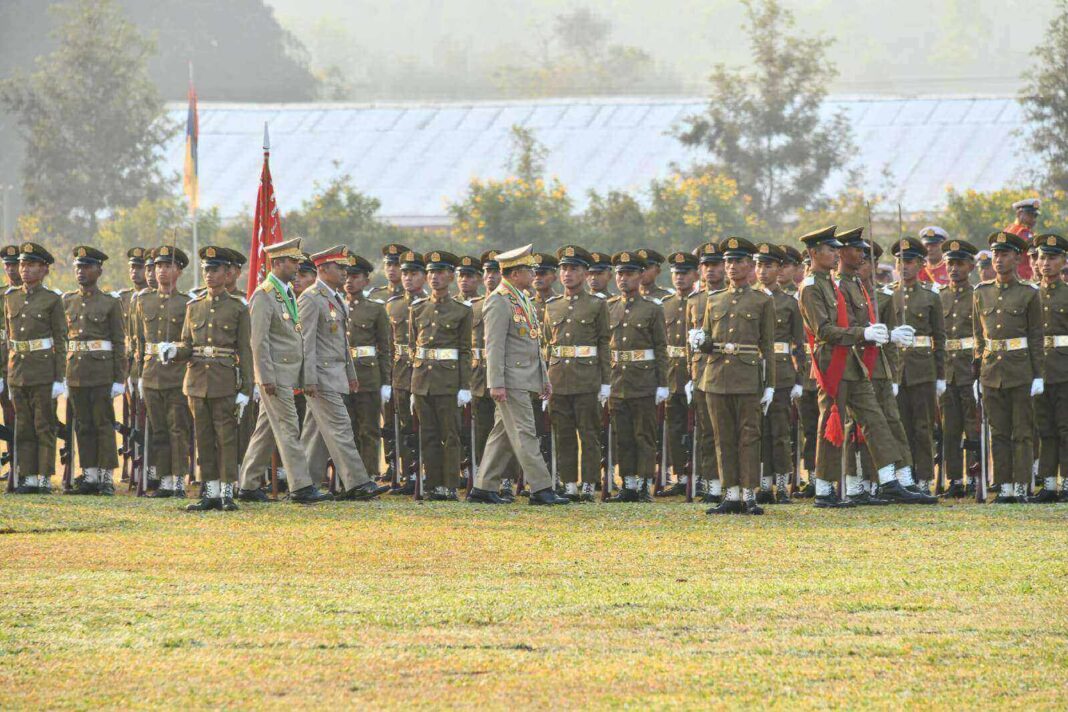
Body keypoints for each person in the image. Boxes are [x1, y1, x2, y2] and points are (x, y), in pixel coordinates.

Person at [797, 226, 930, 507]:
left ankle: (888, 481)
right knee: (831, 425)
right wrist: (864, 334)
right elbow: (823, 330)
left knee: (875, 420)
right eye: (830, 249)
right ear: (813, 253)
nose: (835, 254)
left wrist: (877, 333)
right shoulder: (811, 287)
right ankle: (823, 490)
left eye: (836, 249)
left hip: (850, 361)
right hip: (831, 361)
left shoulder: (832, 284)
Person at [467, 244, 568, 506]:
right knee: (525, 432)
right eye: (527, 270)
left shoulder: (521, 299)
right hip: (510, 381)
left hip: (524, 378)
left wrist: (543, 378)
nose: (533, 274)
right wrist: (496, 383)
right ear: (513, 274)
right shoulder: (499, 301)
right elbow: (494, 347)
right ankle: (541, 488)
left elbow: (534, 344)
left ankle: (483, 486)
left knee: (502, 434)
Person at [236, 237, 333, 505]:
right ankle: (301, 486)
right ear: (278, 263)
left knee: (266, 430)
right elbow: (258, 341)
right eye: (293, 261)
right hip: (275, 376)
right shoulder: (264, 295)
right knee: (289, 428)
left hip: (287, 374)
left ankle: (247, 484)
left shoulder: (285, 292)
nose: (297, 266)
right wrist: (265, 376)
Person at [159, 246, 252, 512]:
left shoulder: (238, 308)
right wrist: (175, 351)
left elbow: (245, 351)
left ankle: (227, 491)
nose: (209, 275)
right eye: (206, 270)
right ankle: (209, 491)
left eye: (215, 270)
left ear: (227, 273)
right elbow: (188, 344)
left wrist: (246, 387)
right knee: (203, 437)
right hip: (197, 380)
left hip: (224, 380)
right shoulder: (194, 306)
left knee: (226, 437)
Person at [688, 237, 775, 514]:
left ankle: (749, 494)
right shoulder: (713, 300)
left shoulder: (762, 300)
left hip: (747, 375)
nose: (732, 266)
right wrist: (699, 342)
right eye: (728, 262)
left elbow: (768, 347)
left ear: (750, 265)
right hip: (715, 375)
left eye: (738, 261)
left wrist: (770, 384)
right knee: (721, 436)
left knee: (749, 435)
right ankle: (732, 494)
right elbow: (707, 338)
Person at [299, 246, 389, 501]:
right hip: (320, 376)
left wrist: (350, 373)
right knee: (341, 427)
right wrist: (308, 379)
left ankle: (304, 484)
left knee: (315, 433)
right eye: (339, 268)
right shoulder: (311, 297)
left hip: (335, 374)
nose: (345, 273)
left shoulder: (334, 297)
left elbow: (341, 343)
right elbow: (306, 343)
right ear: (323, 269)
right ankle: (358, 482)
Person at [972, 230, 1044, 503]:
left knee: (1023, 432)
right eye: (995, 254)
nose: (998, 259)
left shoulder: (1028, 293)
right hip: (991, 373)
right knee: (998, 432)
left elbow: (1036, 337)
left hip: (1021, 370)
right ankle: (1004, 487)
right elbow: (979, 338)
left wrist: (1039, 375)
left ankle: (1022, 485)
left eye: (1004, 254)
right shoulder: (981, 292)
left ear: (1017, 257)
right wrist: (976, 374)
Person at [544, 245, 610, 502]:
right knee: (563, 433)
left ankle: (588, 484)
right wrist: (544, 380)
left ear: (584, 273)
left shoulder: (596, 304)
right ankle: (569, 482)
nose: (567, 274)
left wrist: (605, 382)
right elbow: (548, 346)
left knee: (589, 433)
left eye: (573, 269)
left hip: (586, 379)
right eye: (564, 269)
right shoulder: (552, 306)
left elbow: (604, 343)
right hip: (558, 378)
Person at [605, 250, 668, 503]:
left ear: (640, 276)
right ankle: (628, 484)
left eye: (629, 274)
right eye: (619, 274)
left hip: (643, 382)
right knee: (623, 435)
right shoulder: (609, 307)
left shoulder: (652, 308)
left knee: (644, 435)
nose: (623, 279)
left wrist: (663, 383)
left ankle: (644, 484)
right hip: (617, 381)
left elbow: (661, 348)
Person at [62, 246, 126, 496]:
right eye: (78, 266)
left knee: (103, 423)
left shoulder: (110, 303)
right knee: (83, 425)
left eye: (87, 266)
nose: (81, 272)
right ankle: (88, 475)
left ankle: (106, 477)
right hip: (76, 370)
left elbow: (119, 342)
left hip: (101, 373)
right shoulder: (67, 301)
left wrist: (119, 378)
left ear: (99, 270)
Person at [409, 251, 472, 500]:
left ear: (450, 276)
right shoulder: (418, 308)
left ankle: (450, 485)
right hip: (422, 381)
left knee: (450, 435)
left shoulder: (462, 311)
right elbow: (415, 347)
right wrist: (414, 384)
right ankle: (433, 483)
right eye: (431, 273)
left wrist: (464, 386)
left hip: (448, 383)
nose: (434, 277)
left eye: (440, 272)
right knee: (428, 435)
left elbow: (465, 351)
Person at [4, 243, 67, 494]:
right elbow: (9, 340)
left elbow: (61, 341)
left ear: (44, 269)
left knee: (44, 425)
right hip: (17, 370)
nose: (25, 270)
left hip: (43, 371)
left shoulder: (52, 300)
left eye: (31, 265)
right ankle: (27, 476)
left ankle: (43, 477)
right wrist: (7, 375)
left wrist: (59, 377)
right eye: (22, 264)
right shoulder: (11, 297)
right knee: (23, 426)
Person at [131, 245, 192, 498]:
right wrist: (136, 376)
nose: (162, 271)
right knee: (158, 430)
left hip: (176, 373)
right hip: (151, 372)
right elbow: (138, 343)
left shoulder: (186, 302)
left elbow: (190, 343)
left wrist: (175, 349)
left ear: (178, 271)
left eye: (168, 266)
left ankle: (177, 479)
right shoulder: (143, 301)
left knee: (177, 428)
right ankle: (163, 478)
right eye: (158, 266)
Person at [891, 236, 947, 496]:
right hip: (896, 371)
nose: (904, 266)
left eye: (910, 261)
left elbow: (939, 337)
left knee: (923, 427)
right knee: (899, 426)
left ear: (920, 264)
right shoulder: (888, 294)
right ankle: (905, 478)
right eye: (900, 261)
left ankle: (924, 478)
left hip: (923, 370)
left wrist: (941, 376)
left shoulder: (930, 295)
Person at [754, 242, 803, 504]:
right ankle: (763, 484)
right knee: (758, 431)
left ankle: (782, 485)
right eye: (759, 265)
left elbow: (798, 344)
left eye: (768, 266)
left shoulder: (789, 302)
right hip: (754, 372)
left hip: (783, 373)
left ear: (779, 269)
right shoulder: (750, 298)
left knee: (780, 432)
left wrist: (799, 379)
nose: (762, 271)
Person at [343, 254, 392, 485]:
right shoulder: (336, 305)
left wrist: (385, 381)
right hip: (341, 375)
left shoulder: (376, 309)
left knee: (369, 428)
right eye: (346, 276)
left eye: (355, 276)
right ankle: (350, 477)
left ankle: (370, 473)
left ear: (366, 280)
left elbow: (385, 348)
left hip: (367, 376)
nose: (349, 281)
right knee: (347, 429)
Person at [938, 239, 980, 498]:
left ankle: (975, 478)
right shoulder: (939, 296)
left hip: (970, 369)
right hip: (946, 370)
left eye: (959, 264)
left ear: (971, 266)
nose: (954, 269)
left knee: (973, 426)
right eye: (950, 264)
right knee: (949, 428)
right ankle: (954, 479)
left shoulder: (978, 295)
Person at [384, 250, 427, 493]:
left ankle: (426, 473)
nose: (408, 278)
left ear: (424, 276)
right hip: (399, 372)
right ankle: (408, 476)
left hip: (425, 373)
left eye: (414, 273)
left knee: (424, 426)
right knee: (403, 426)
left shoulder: (430, 304)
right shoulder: (393, 305)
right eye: (405, 273)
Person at [687, 242, 725, 501]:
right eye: (705, 266)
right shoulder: (694, 300)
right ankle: (711, 483)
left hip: (726, 371)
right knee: (705, 432)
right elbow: (687, 340)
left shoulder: (730, 296)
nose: (709, 271)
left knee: (725, 431)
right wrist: (689, 374)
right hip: (700, 372)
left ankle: (729, 482)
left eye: (714, 265)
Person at [657, 251, 698, 496]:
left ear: (695, 275)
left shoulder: (702, 300)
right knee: (674, 428)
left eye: (685, 273)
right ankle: (680, 477)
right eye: (676, 273)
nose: (680, 278)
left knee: (699, 427)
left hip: (696, 373)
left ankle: (699, 475)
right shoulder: (665, 304)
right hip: (672, 374)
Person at [1031, 233, 1068, 502]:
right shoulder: (1030, 294)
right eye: (1042, 257)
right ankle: (1048, 484)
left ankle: (1066, 483)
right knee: (1044, 428)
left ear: (1063, 261)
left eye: (1052, 258)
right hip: (1038, 371)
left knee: (1065, 428)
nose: (1046, 263)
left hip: (1064, 368)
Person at [1004, 198, 1039, 281]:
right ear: (1019, 214)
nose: (1033, 219)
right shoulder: (1023, 232)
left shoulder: (1008, 229)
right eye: (1030, 215)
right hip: (1023, 277)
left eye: (1035, 216)